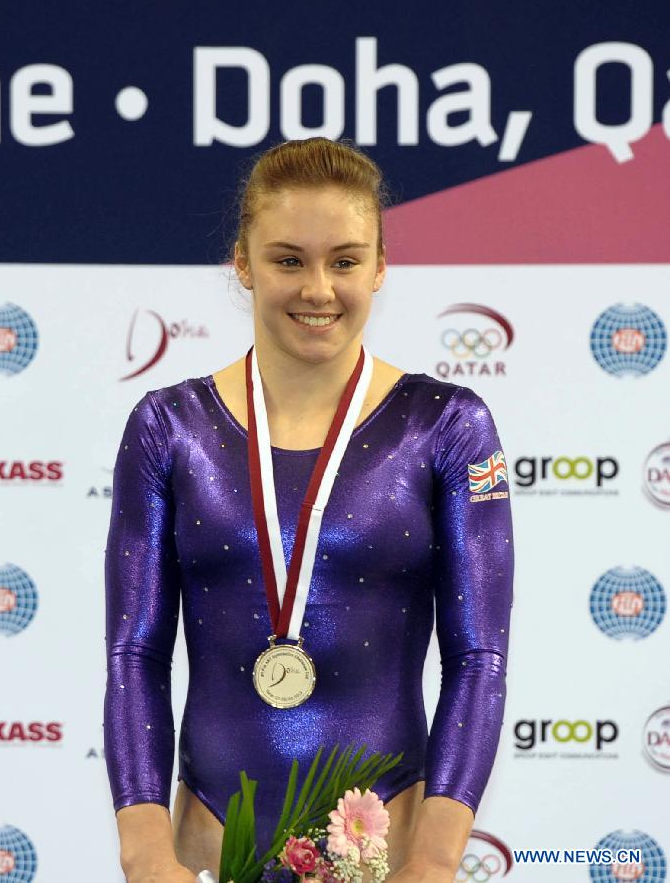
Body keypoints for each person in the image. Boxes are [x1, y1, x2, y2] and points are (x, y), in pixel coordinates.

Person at [104, 137, 514, 883]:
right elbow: (134, 653)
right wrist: (144, 853)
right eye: (288, 259)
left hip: (386, 846)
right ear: (243, 263)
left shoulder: (447, 425)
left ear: (381, 267)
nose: (317, 289)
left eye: (345, 261)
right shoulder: (169, 428)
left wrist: (432, 859)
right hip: (205, 849)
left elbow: (478, 656)